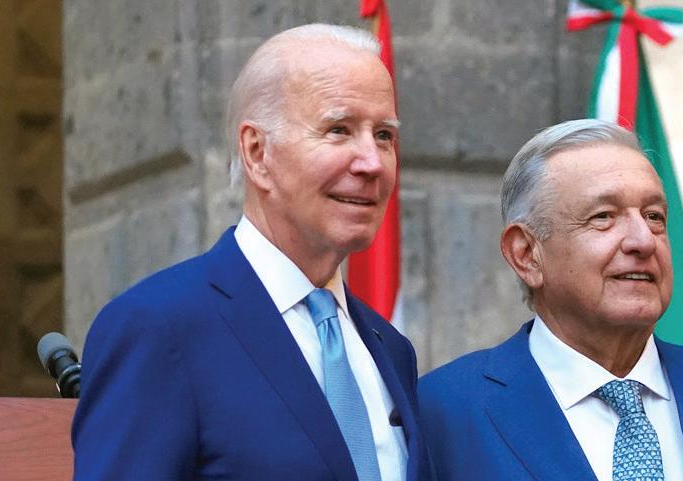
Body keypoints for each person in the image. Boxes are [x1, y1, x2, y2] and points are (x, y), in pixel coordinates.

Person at [72, 24, 428, 481]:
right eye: (338, 130)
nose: (373, 162)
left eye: (384, 135)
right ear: (257, 153)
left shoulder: (390, 348)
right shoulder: (158, 328)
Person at [418, 119, 683, 481]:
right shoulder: (445, 412)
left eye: (654, 216)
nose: (643, 241)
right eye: (603, 216)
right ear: (526, 254)